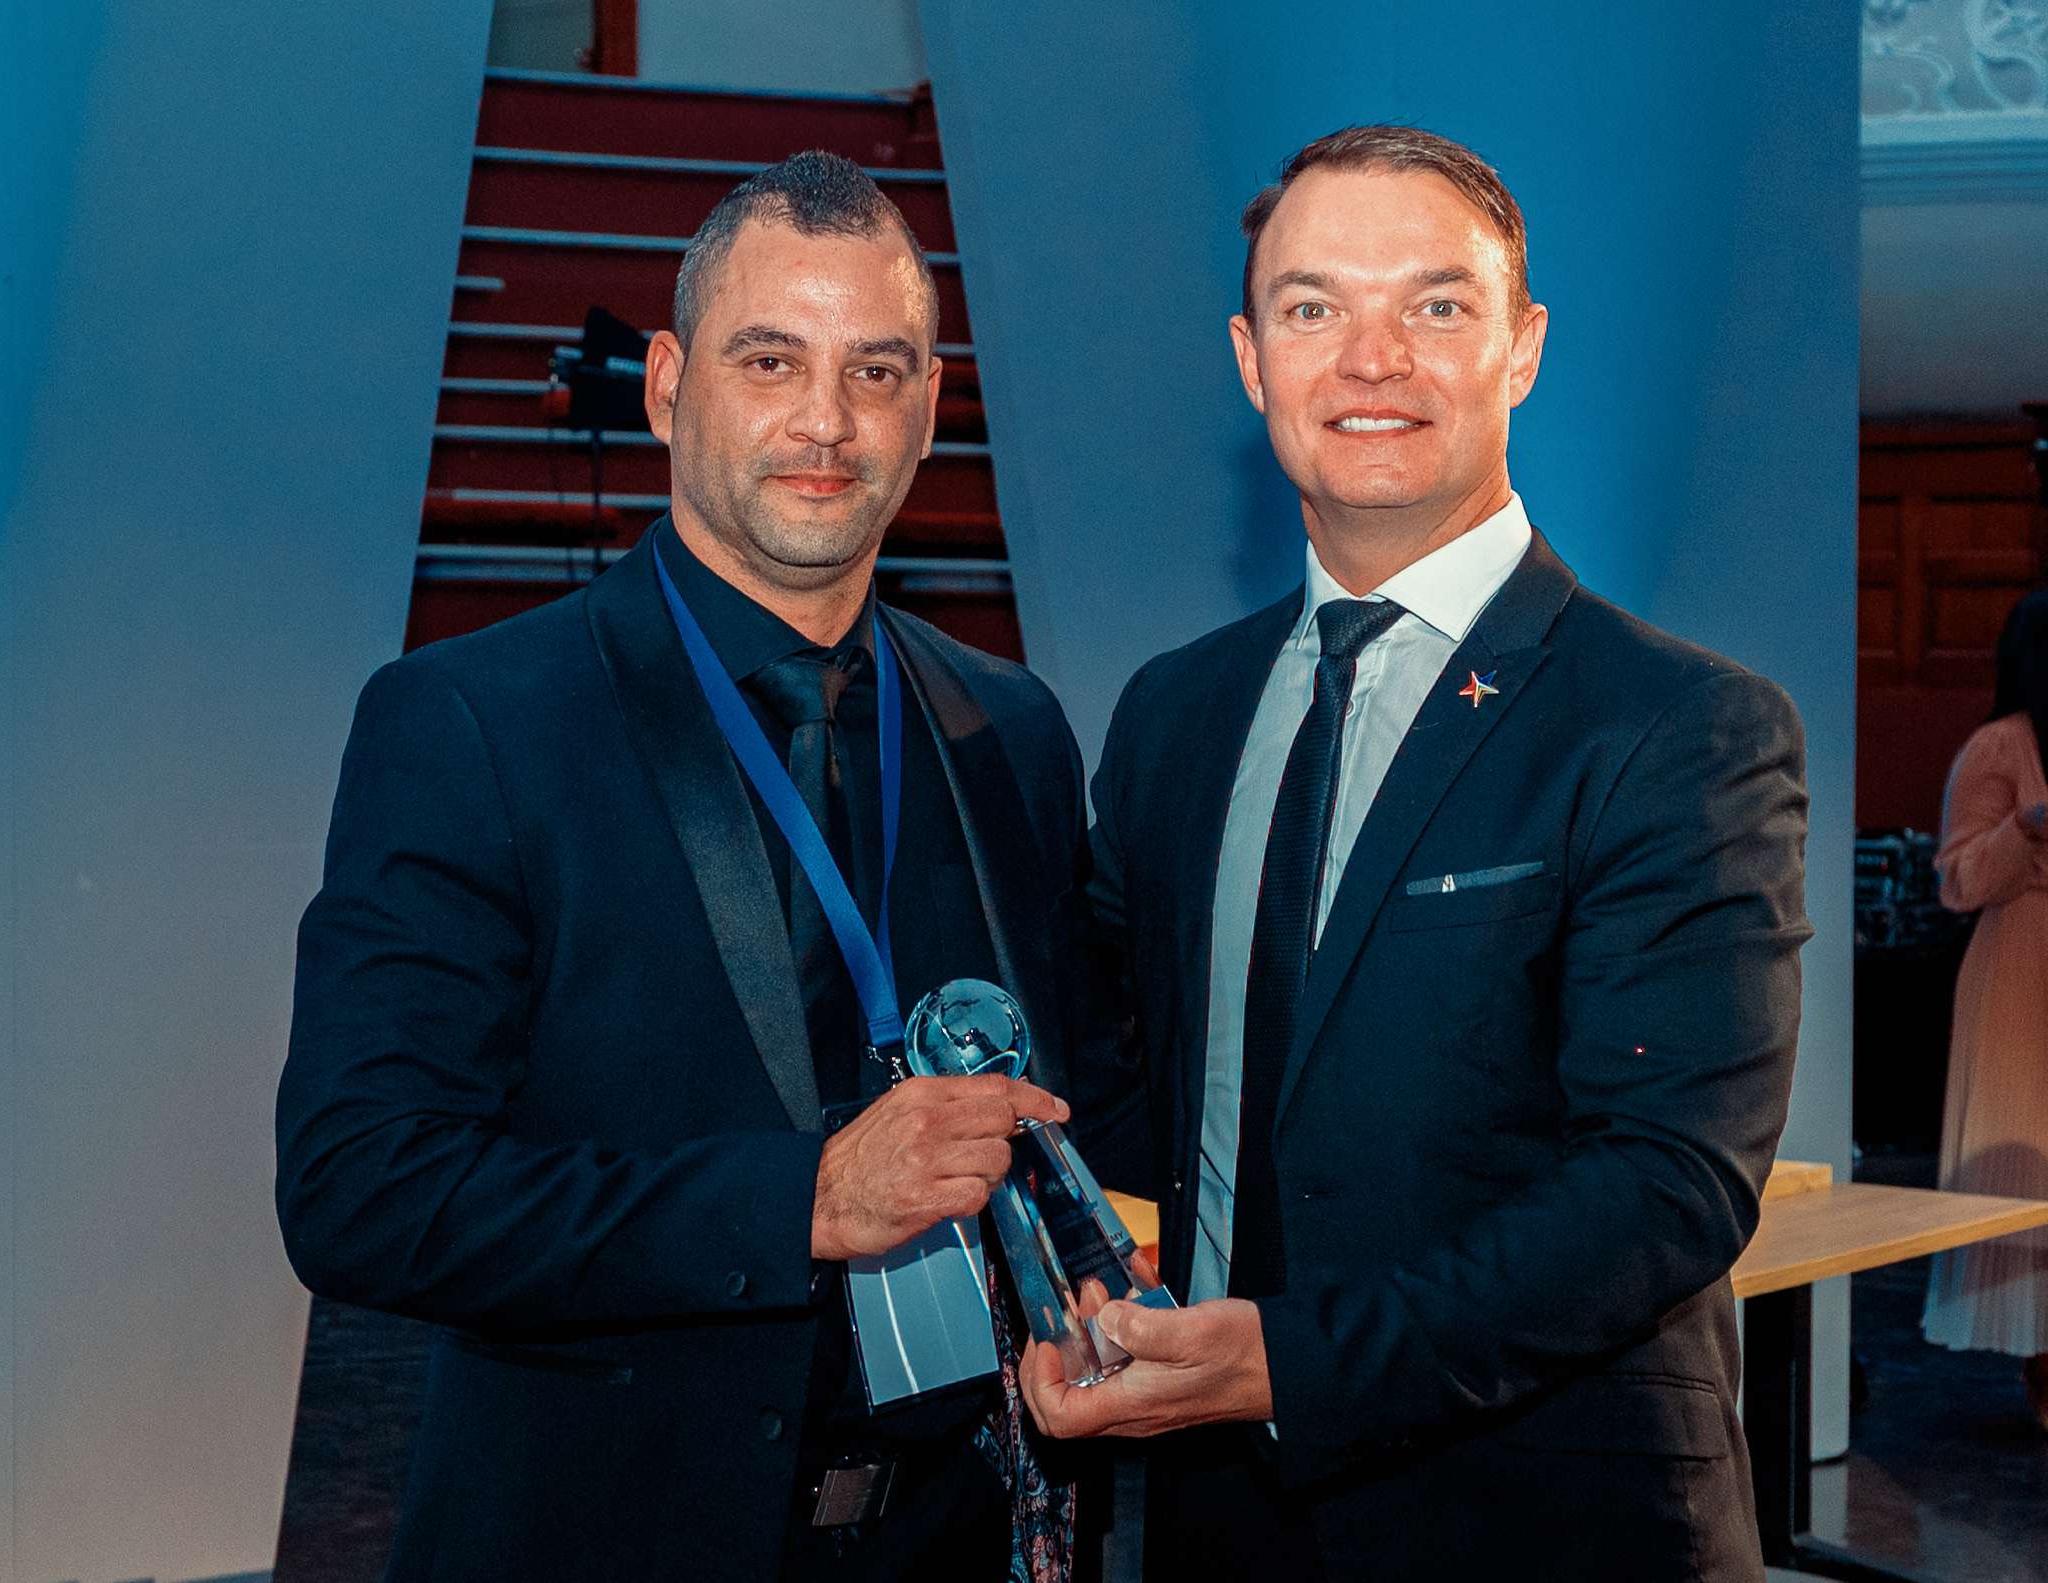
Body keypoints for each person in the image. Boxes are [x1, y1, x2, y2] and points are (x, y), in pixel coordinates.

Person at [276, 152, 1118, 1583]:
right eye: (769, 359)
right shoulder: (473, 720)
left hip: (951, 1537)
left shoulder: (1011, 729)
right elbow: (362, 1187)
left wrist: (1093, 1278)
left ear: (927, 409)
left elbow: (1078, 1102)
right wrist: (801, 1198)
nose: (825, 420)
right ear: (668, 387)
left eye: (874, 371)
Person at [1022, 126, 1812, 1581]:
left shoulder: (1676, 724)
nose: (1371, 357)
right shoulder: (1173, 714)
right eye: (1312, 306)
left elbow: (1663, 1182)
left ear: (1522, 348)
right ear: (1251, 360)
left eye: (1435, 305)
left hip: (1546, 1524)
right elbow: (1133, 1087)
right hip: (1216, 1519)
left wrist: (1292, 1359)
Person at [1922, 588, 2048, 1416]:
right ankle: (2040, 1362)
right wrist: (2025, 827)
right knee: (2027, 1163)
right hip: (2019, 971)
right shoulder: (1998, 747)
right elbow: (1959, 880)